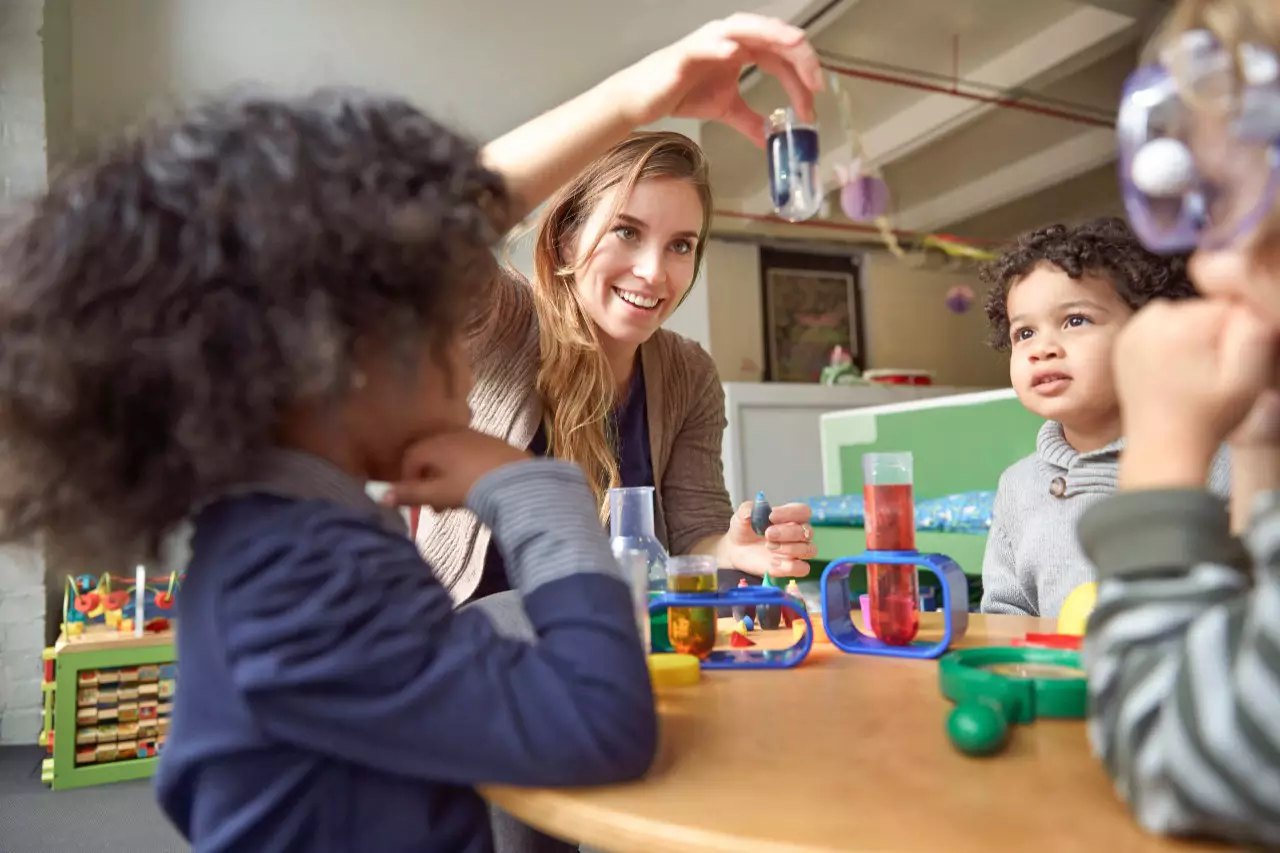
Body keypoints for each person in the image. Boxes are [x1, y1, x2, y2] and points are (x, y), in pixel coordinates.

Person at [0, 15, 824, 853]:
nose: (463, 363)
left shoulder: (293, 543)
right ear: (339, 345)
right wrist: (536, 489)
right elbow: (605, 720)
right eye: (427, 319)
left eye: (681, 245)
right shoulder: (300, 580)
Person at [402, 106, 819, 609]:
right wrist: (631, 101)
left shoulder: (689, 372)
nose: (653, 272)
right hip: (477, 644)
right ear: (565, 238)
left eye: (680, 246)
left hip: (614, 642)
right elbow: (433, 220)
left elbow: (695, 535)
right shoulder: (504, 318)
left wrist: (733, 546)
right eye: (627, 231)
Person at [1075, 0, 1280, 844]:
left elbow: (1179, 749)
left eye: (1244, 203)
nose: (1210, 259)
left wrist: (1162, 445)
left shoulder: (1164, 440)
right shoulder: (1023, 479)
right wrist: (1263, 440)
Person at [976, 217, 1230, 618]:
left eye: (1075, 320)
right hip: (1060, 679)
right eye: (1024, 333)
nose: (1042, 348)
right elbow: (1006, 614)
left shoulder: (1212, 463)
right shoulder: (1018, 487)